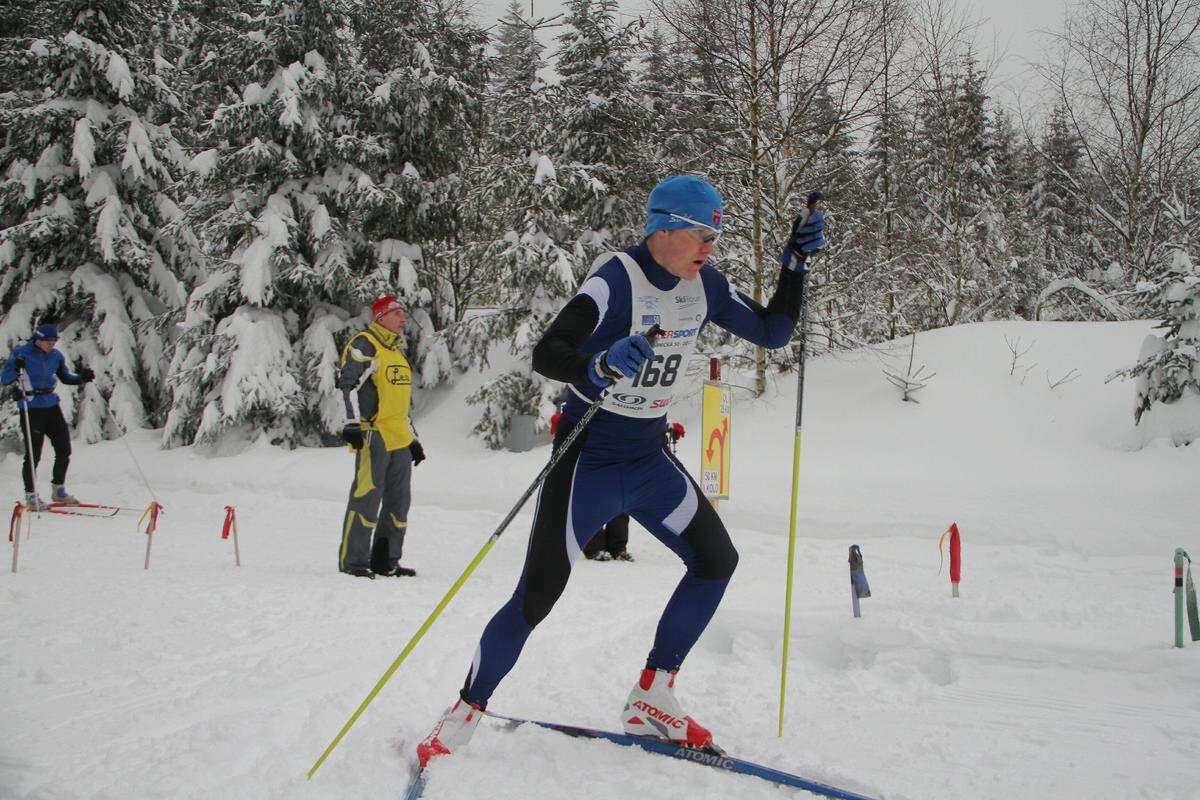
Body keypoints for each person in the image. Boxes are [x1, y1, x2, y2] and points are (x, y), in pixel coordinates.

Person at [417, 175, 826, 765]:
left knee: (716, 561)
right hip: (588, 458)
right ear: (664, 229)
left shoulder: (706, 285)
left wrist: (794, 267)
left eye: (716, 235)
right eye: (702, 233)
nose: (710, 245)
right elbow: (549, 352)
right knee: (536, 596)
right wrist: (599, 363)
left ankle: (653, 696)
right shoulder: (617, 278)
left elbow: (774, 332)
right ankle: (463, 714)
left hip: (648, 457)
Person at [336, 296, 426, 580]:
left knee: (399, 501)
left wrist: (412, 439)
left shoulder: (396, 352)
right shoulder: (365, 344)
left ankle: (385, 560)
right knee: (367, 497)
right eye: (397, 314)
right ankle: (354, 561)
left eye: (403, 314)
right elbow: (348, 386)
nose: (403, 319)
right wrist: (352, 424)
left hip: (398, 436)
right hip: (373, 434)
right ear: (381, 317)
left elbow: (400, 402)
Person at [1, 323, 95, 510]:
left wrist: (81, 378)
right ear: (38, 339)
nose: (51, 345)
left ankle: (58, 490)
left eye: (54, 341)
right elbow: (5, 379)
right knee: (33, 454)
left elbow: (65, 377)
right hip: (31, 407)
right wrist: (16, 369)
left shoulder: (55, 356)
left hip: (51, 405)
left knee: (64, 448)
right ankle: (31, 496)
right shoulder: (21, 354)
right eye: (48, 342)